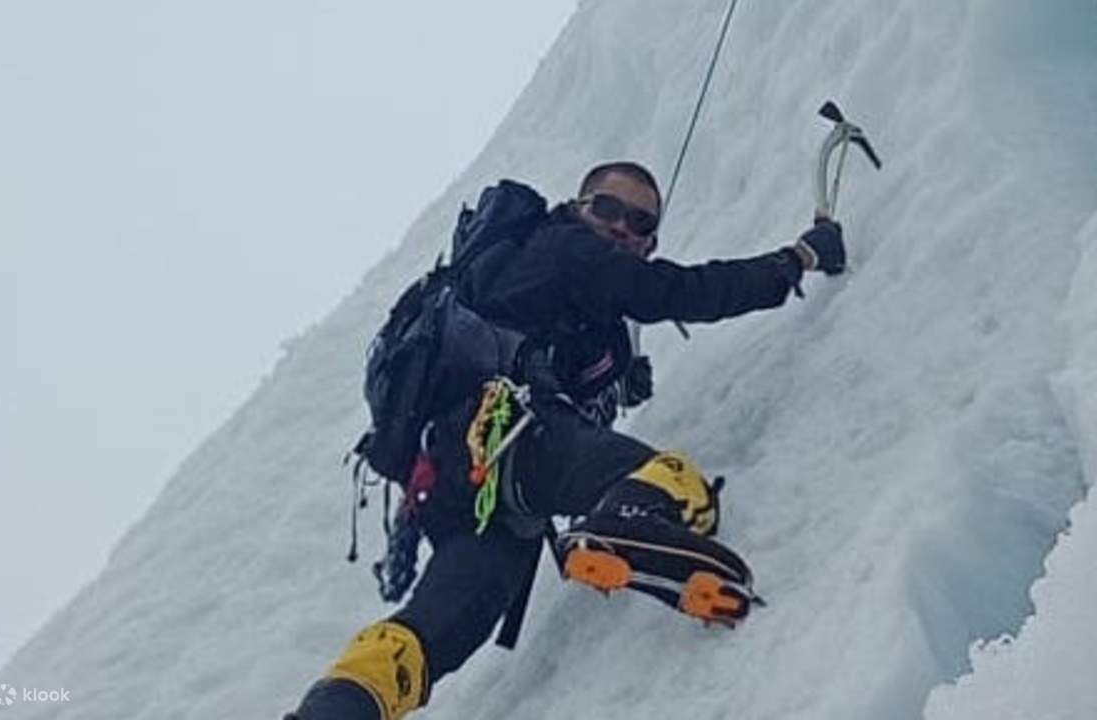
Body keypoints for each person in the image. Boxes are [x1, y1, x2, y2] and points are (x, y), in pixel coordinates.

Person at [287, 161, 846, 720]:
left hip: (466, 491)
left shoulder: (541, 279)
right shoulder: (567, 248)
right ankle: (623, 521)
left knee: (423, 640)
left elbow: (551, 340)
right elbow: (683, 292)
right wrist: (798, 258)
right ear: (578, 208)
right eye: (607, 209)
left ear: (648, 241)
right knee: (668, 480)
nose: (621, 226)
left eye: (639, 222)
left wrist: (619, 374)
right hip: (508, 437)